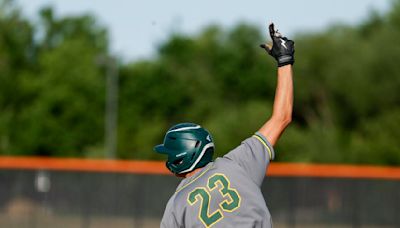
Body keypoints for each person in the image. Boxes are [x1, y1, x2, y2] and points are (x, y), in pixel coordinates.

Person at [154, 23, 295, 228]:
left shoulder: (177, 206)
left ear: (179, 160)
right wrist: (285, 61)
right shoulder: (238, 163)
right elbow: (282, 117)